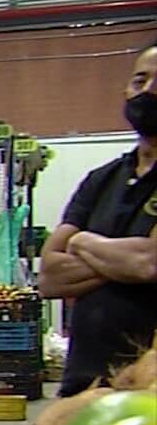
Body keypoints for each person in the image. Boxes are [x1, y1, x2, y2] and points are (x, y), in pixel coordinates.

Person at [40, 42, 157, 395]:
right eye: (140, 80)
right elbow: (50, 277)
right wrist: (121, 262)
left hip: (148, 386)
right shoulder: (101, 179)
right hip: (86, 383)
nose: (149, 91)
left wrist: (81, 242)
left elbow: (148, 264)